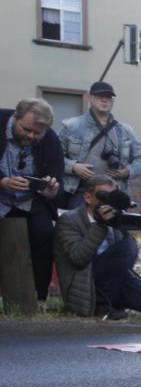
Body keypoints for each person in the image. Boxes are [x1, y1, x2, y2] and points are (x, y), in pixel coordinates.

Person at [53, 175, 141, 322]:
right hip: (87, 281)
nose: (109, 202)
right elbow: (78, 259)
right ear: (87, 197)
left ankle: (111, 303)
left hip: (118, 280)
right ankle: (101, 304)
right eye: (104, 196)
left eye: (113, 197)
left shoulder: (115, 216)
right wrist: (100, 225)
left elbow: (123, 258)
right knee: (127, 247)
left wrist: (120, 221)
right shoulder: (69, 220)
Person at [0, 98, 64, 301]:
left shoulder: (50, 139)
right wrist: (3, 182)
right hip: (1, 193)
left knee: (44, 232)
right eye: (26, 129)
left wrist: (51, 190)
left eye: (37, 133)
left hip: (31, 199)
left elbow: (57, 176)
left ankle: (39, 295)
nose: (30, 135)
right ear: (15, 117)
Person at [58, 82, 141, 210]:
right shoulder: (71, 126)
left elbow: (140, 159)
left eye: (108, 97)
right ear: (90, 97)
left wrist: (127, 171)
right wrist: (74, 167)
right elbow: (55, 158)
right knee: (78, 222)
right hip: (82, 191)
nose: (104, 99)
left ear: (113, 101)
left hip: (114, 192)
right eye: (100, 95)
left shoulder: (125, 130)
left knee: (115, 223)